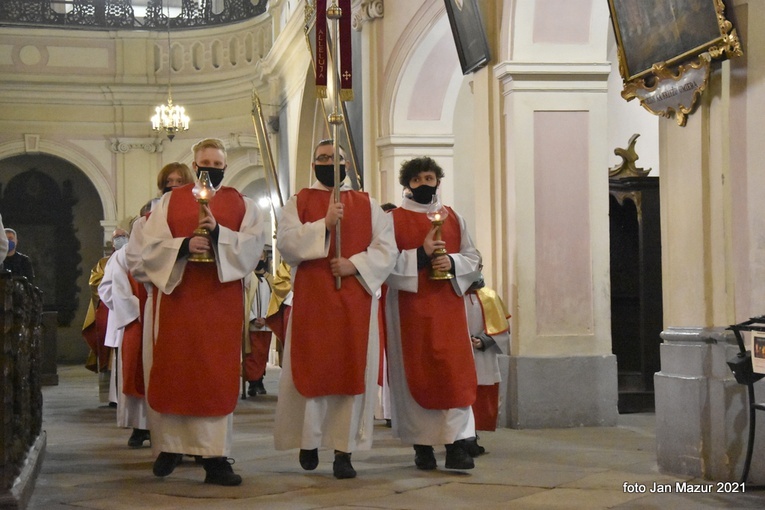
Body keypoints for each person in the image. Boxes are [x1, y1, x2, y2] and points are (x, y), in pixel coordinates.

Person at [140, 139, 266, 486]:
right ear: (194, 164)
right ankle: (170, 447)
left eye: (216, 162)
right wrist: (182, 245)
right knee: (177, 370)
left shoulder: (243, 204)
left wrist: (219, 236)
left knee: (214, 374)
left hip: (219, 301)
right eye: (204, 162)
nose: (210, 168)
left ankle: (215, 459)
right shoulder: (169, 201)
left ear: (225, 166)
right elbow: (148, 248)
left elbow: (254, 247)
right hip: (179, 298)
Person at [274, 139, 396, 479]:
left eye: (336, 158)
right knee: (312, 370)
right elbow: (285, 243)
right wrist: (323, 226)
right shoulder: (299, 201)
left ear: (347, 165)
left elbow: (388, 248)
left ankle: (345, 451)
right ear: (314, 164)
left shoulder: (367, 203)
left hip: (354, 302)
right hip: (312, 301)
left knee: (349, 373)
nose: (330, 162)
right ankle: (309, 441)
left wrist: (355, 265)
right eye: (323, 158)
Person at [385, 156, 482, 471]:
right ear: (407, 185)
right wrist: (422, 258)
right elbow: (384, 264)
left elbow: (473, 257)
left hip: (448, 307)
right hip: (409, 310)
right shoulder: (392, 220)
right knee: (418, 375)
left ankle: (456, 446)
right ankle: (422, 446)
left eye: (429, 178)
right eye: (417, 180)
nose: (424, 184)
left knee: (452, 374)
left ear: (438, 180)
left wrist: (452, 263)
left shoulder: (454, 217)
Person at [464, 274, 510, 456]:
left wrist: (484, 340)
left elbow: (502, 328)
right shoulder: (452, 295)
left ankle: (472, 436)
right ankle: (461, 438)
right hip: (459, 352)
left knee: (479, 396)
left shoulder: (489, 296)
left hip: (482, 356)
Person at [82, 228, 130, 406]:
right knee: (115, 355)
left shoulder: (137, 256)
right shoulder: (106, 262)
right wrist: (117, 301)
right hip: (113, 311)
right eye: (117, 237)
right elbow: (100, 286)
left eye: (123, 237)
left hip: (129, 310)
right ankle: (115, 397)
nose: (120, 240)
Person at [244, 249, 273, 396]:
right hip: (252, 324)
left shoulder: (271, 279)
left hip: (267, 325)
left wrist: (267, 318)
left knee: (263, 354)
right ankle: (252, 383)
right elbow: (244, 300)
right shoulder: (247, 278)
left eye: (261, 256)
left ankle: (260, 380)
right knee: (252, 355)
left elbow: (275, 301)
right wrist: (254, 318)